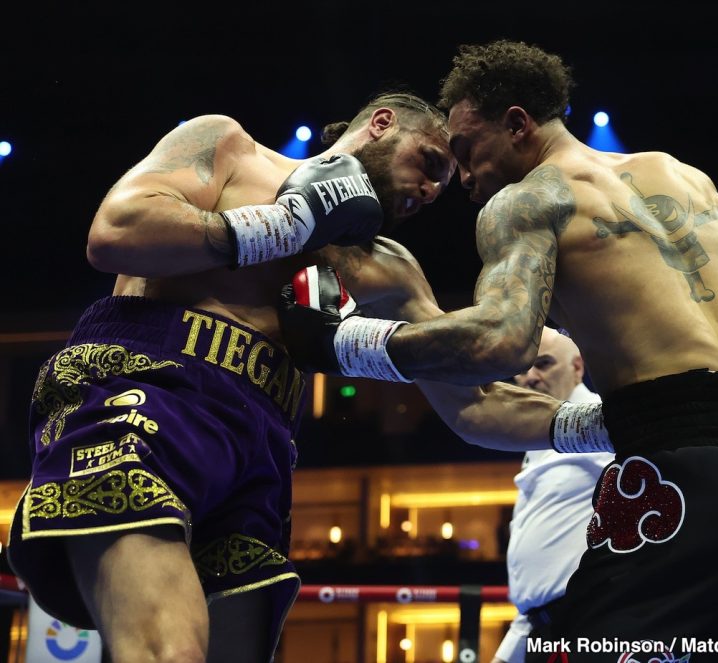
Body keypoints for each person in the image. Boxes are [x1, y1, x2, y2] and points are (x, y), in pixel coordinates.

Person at [281, 40, 718, 661]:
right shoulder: (683, 176)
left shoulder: (529, 199)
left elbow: (501, 342)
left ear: (517, 123)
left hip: (683, 464)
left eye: (467, 151)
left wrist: (345, 345)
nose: (463, 179)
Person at [6, 91, 454, 663]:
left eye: (443, 184)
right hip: (149, 392)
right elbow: (116, 233)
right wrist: (287, 224)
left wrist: (568, 405)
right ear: (382, 123)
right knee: (169, 654)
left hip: (261, 445)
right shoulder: (232, 148)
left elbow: (472, 387)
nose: (431, 189)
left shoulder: (386, 265)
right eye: (429, 162)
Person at [492, 327, 612, 663]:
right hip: (540, 630)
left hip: (587, 624)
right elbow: (540, 561)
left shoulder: (602, 419)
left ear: (577, 367)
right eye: (521, 369)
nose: (530, 377)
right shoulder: (537, 438)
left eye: (544, 363)